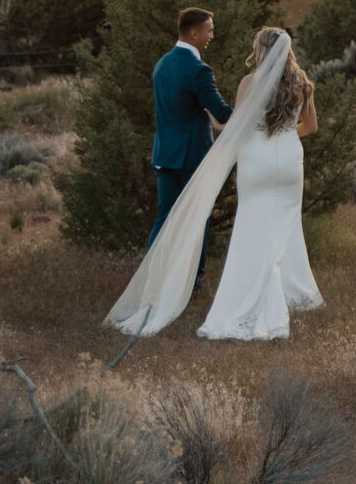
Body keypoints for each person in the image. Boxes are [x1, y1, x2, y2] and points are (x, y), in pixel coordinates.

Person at [106, 25, 321, 344]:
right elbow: (311, 127)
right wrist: (285, 134)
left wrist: (218, 123)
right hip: (290, 162)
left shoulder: (251, 82)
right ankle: (287, 289)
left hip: (257, 161)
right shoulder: (304, 85)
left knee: (252, 228)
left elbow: (236, 128)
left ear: (261, 51)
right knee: (283, 228)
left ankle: (261, 298)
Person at [147, 8, 233, 283]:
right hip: (192, 158)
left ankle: (152, 277)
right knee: (197, 218)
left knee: (164, 218)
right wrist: (255, 113)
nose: (212, 35)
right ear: (194, 33)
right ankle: (192, 282)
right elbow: (220, 112)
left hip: (164, 154)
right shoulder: (198, 70)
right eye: (209, 30)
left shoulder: (161, 64)